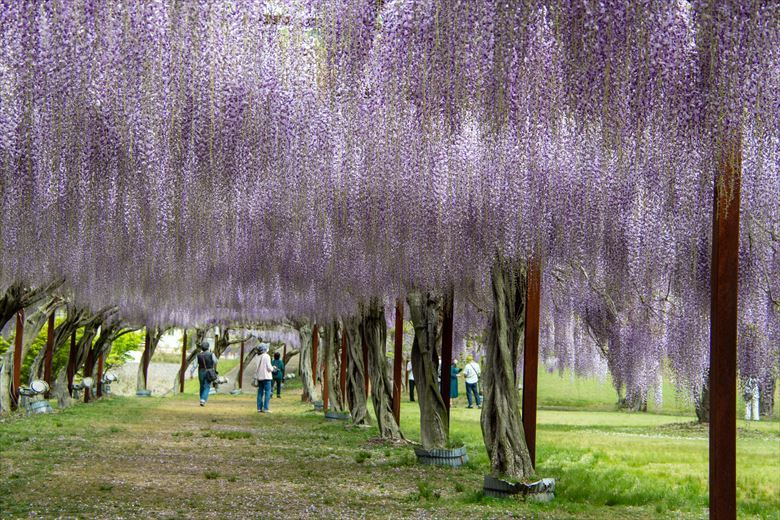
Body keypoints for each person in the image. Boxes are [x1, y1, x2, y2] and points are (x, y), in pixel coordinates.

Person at [196, 341, 218, 407]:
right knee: (207, 386)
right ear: (208, 347)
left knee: (202, 385)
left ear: (201, 348)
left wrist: (191, 373)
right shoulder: (211, 354)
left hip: (201, 372)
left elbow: (194, 365)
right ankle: (203, 400)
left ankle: (201, 399)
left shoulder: (198, 355)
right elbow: (216, 362)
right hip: (209, 371)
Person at [254, 343, 274, 413]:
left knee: (260, 392)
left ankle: (259, 408)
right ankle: (266, 408)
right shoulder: (266, 356)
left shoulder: (257, 356)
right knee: (268, 392)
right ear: (265, 349)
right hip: (266, 377)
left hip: (259, 377)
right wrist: (273, 369)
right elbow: (269, 367)